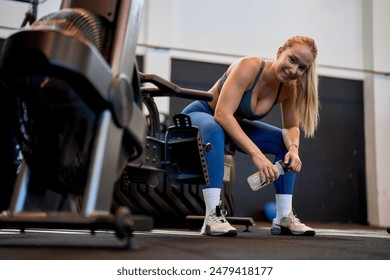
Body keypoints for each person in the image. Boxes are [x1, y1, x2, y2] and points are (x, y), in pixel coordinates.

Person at [181, 35, 319, 237]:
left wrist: (293, 149)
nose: (294, 70)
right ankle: (213, 216)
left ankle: (283, 217)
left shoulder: (289, 87)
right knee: (214, 127)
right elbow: (221, 114)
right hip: (202, 116)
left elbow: (290, 127)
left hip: (230, 124)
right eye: (292, 59)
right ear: (280, 52)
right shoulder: (249, 66)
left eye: (302, 68)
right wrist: (256, 154)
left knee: (283, 142)